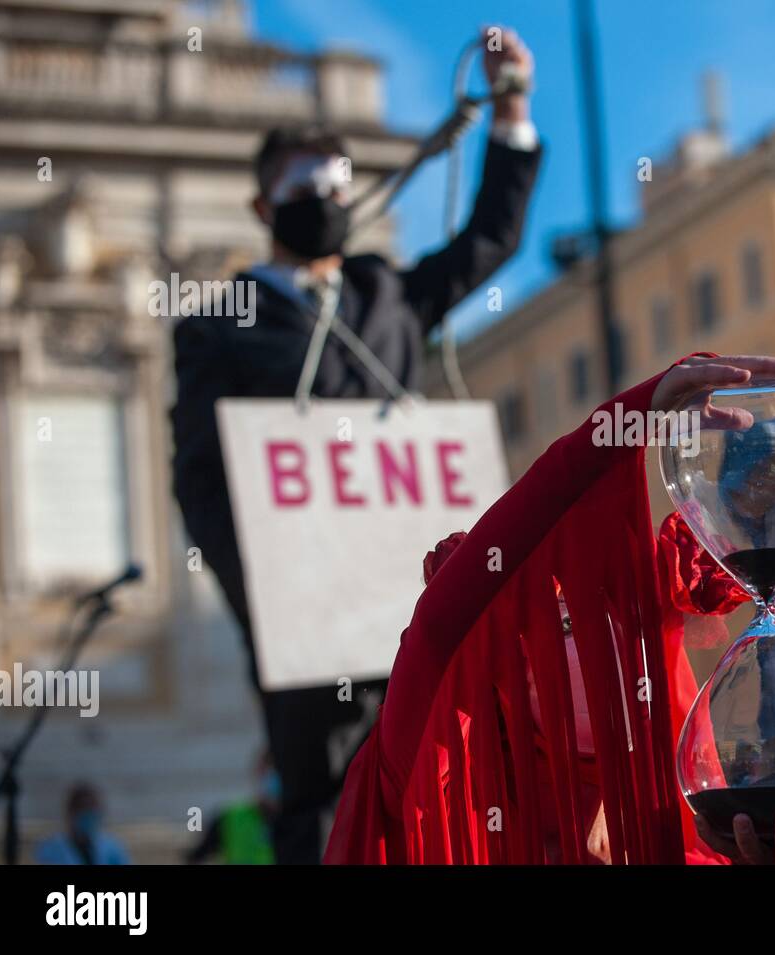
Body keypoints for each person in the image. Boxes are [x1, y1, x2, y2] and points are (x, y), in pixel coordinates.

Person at [170, 27, 542, 864]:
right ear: (265, 209)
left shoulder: (388, 293)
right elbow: (197, 475)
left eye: (336, 179)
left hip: (412, 595)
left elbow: (491, 239)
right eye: (301, 182)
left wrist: (509, 105)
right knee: (326, 795)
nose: (324, 194)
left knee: (446, 768)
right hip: (305, 610)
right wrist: (258, 592)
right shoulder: (218, 326)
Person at [325, 354, 775, 865]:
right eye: (566, 623)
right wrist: (620, 426)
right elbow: (455, 614)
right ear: (500, 663)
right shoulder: (430, 768)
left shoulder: (674, 825)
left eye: (617, 618)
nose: (602, 644)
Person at [185, 751, 280, 865]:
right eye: (267, 771)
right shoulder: (230, 818)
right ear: (257, 773)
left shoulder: (301, 823)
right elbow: (196, 856)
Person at [33, 783, 130, 865]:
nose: (89, 817)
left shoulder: (112, 848)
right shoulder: (51, 849)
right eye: (83, 810)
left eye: (92, 811)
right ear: (71, 813)